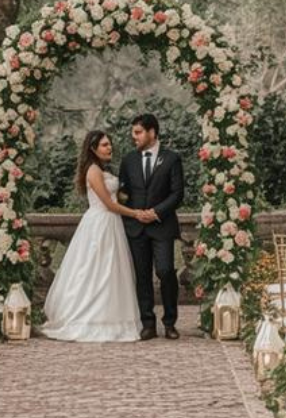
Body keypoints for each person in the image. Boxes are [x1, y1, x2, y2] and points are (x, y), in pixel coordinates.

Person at [40, 129, 148, 343]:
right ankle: (90, 319)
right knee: (95, 270)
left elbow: (115, 197)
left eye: (110, 144)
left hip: (112, 224)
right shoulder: (93, 171)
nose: (110, 148)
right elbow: (108, 204)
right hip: (100, 223)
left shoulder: (102, 169)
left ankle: (112, 317)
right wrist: (136, 213)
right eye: (105, 145)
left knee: (112, 271)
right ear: (93, 149)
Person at [117, 112, 185, 340]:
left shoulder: (172, 159)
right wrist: (130, 210)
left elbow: (178, 193)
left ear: (152, 132)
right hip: (136, 227)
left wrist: (155, 212)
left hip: (162, 225)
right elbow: (123, 192)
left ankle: (170, 322)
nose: (133, 137)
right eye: (133, 132)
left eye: (138, 132)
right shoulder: (128, 160)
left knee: (166, 271)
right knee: (142, 275)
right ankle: (147, 323)